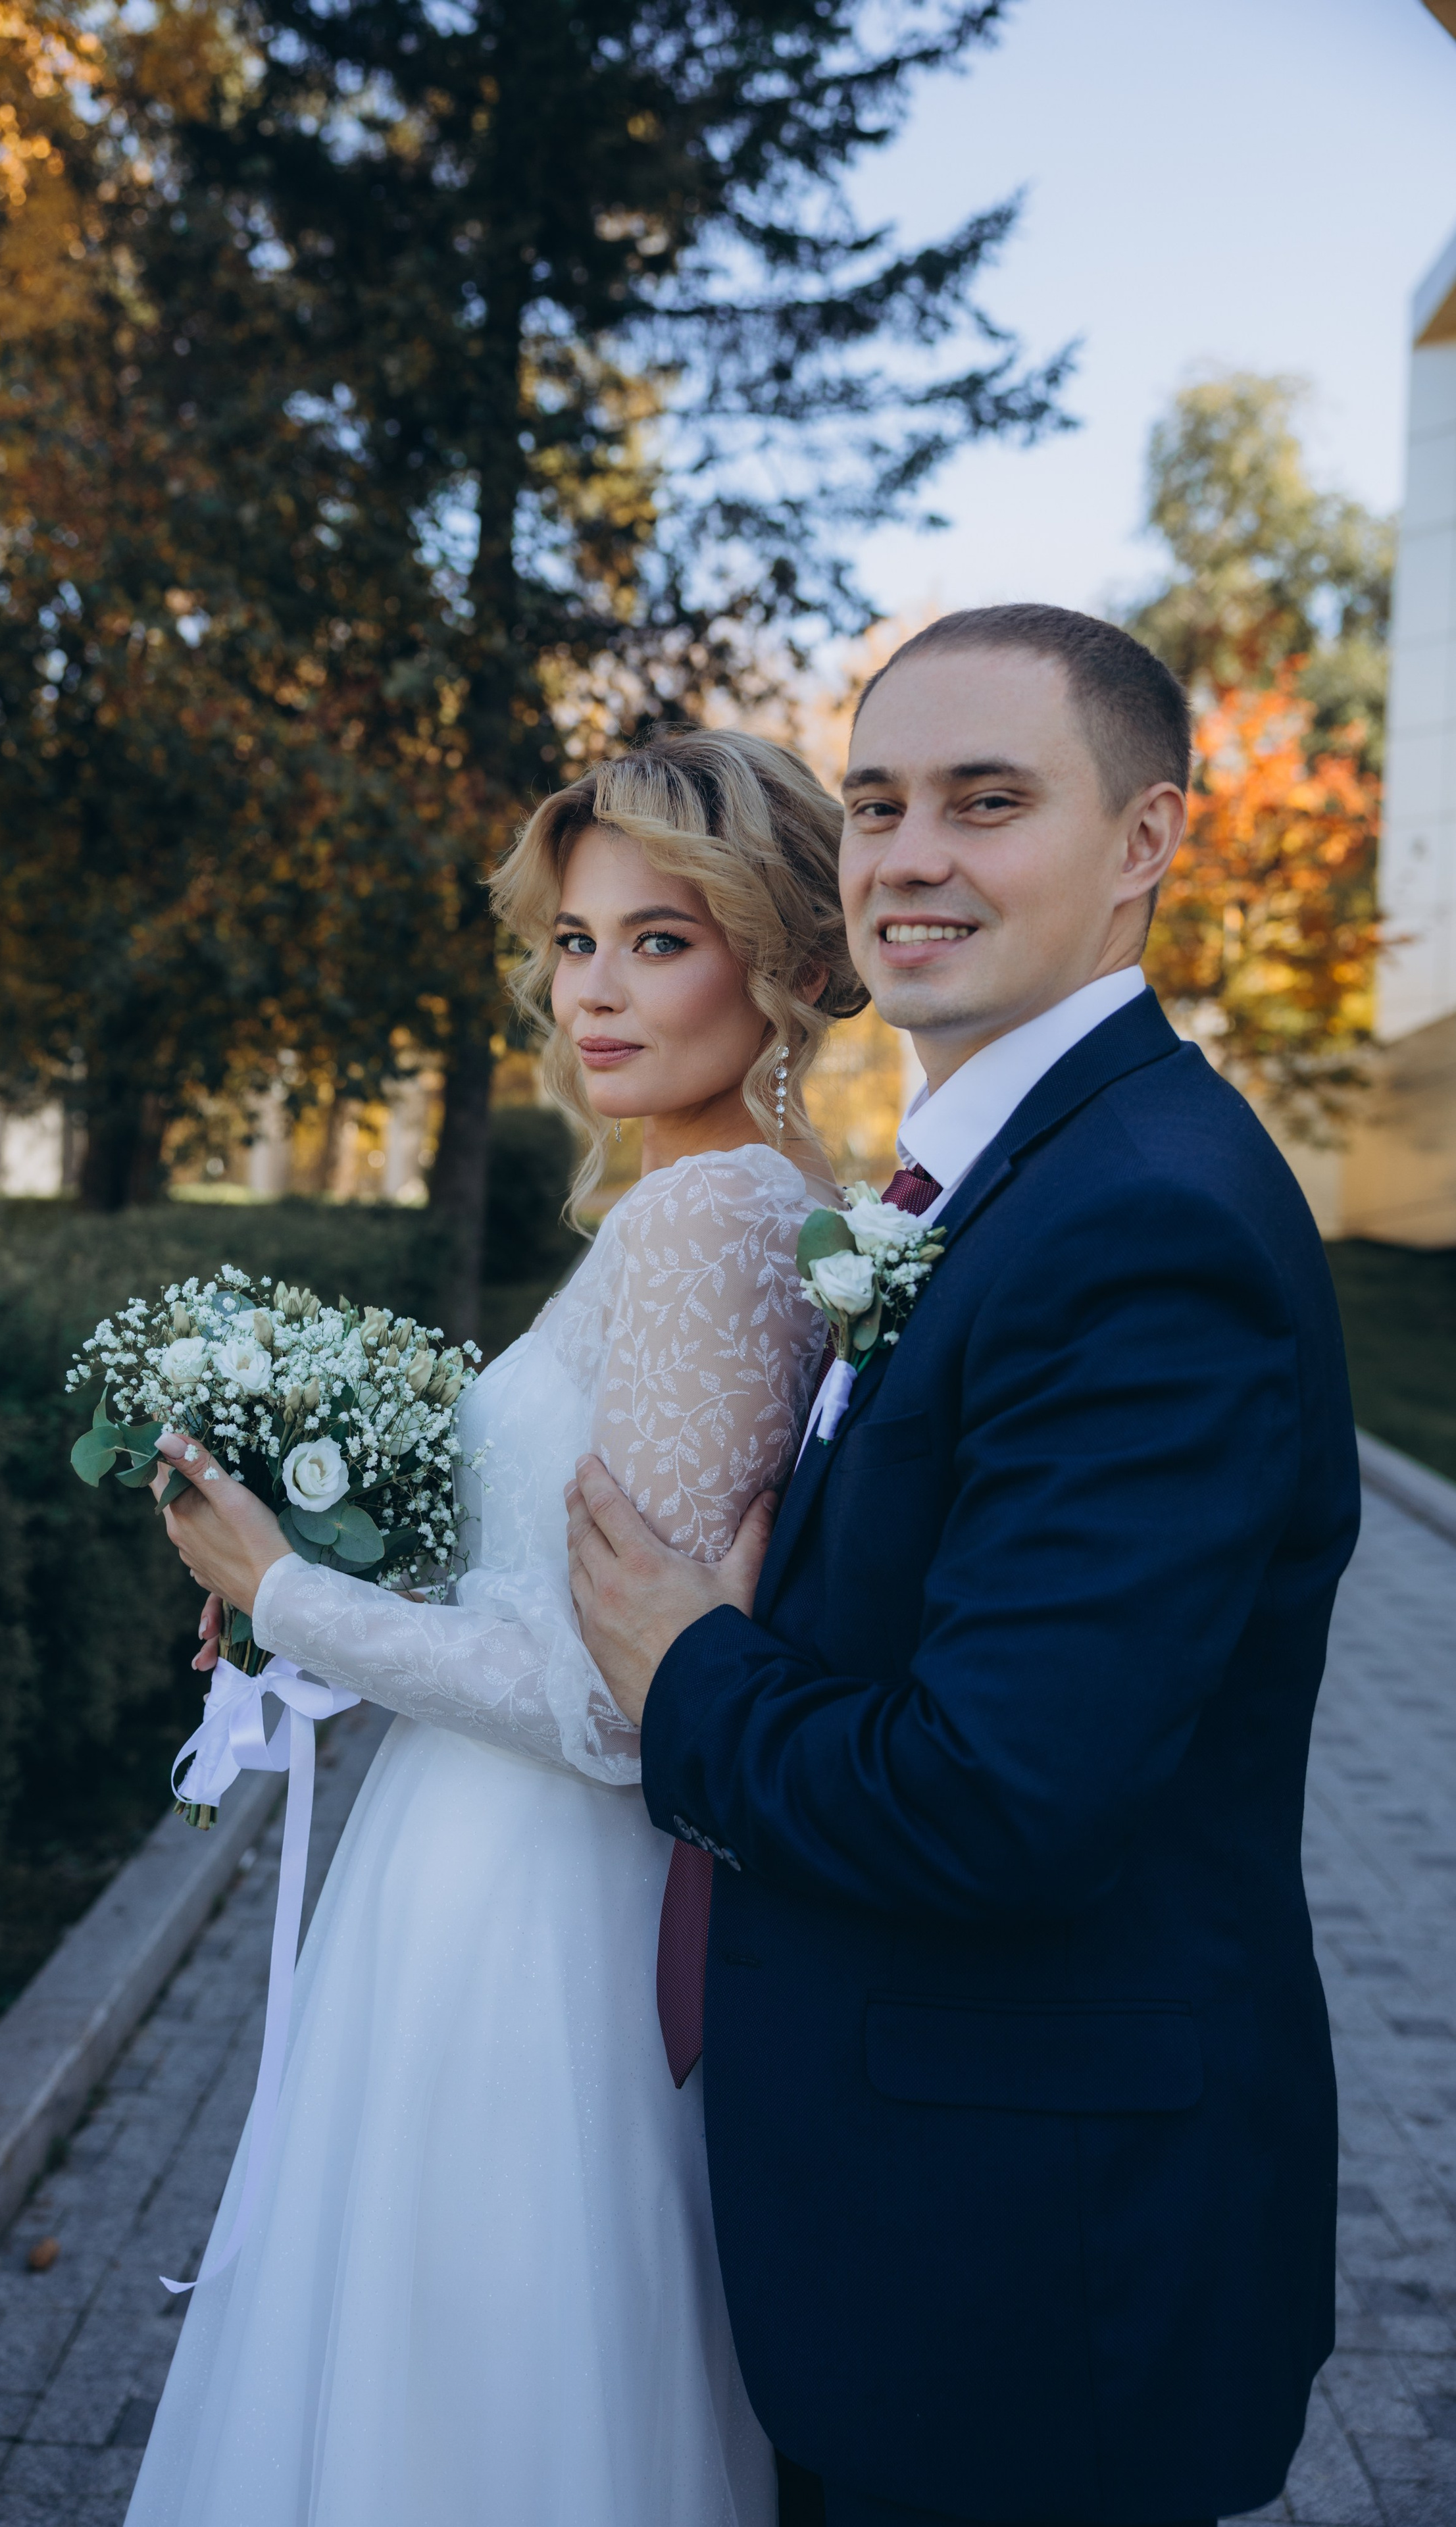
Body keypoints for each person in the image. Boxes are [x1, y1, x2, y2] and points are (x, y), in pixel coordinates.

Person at [567, 606, 1359, 2527]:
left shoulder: (1144, 1224)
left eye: (988, 803)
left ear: (1147, 842)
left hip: (1026, 2272)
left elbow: (995, 1801)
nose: (911, 857)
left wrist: (682, 1669)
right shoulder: (1004, 1175)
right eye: (879, 804)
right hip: (934, 2232)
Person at [123, 726, 866, 2527]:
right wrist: (333, 1593)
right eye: (573, 940)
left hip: (542, 1915)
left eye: (657, 940)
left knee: (470, 2392)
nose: (591, 990)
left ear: (777, 960)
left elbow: (621, 1706)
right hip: (481, 1878)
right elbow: (567, 1598)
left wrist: (281, 1588)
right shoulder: (708, 1201)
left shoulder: (712, 1221)